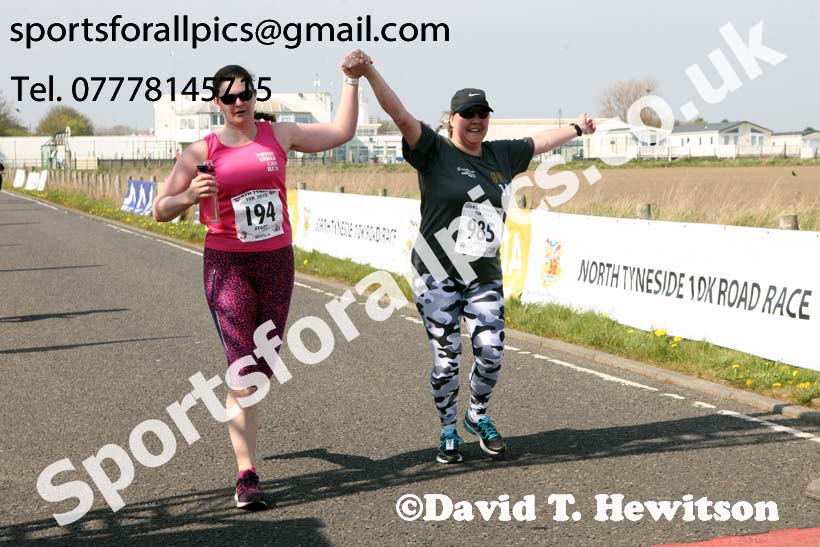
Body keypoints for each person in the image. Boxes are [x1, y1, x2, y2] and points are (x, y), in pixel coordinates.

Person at [351, 57, 596, 464]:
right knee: (447, 360)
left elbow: (541, 142)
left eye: (482, 114)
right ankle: (447, 430)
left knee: (491, 352)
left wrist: (576, 128)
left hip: (483, 275)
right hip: (437, 274)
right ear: (452, 119)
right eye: (468, 114)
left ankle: (476, 415)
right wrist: (370, 74)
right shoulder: (433, 151)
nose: (476, 120)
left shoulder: (502, 156)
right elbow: (399, 114)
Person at [153, 51, 365, 508]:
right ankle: (246, 474)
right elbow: (159, 209)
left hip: (275, 263)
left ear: (254, 94)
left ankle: (245, 425)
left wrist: (351, 80)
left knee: (262, 368)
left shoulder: (279, 135)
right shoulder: (200, 151)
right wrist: (190, 194)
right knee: (242, 369)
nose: (239, 102)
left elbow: (342, 132)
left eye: (245, 93)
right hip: (225, 264)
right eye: (229, 97)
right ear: (217, 102)